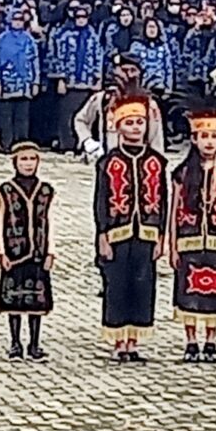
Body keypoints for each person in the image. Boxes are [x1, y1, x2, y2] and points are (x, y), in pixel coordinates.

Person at [94, 86, 167, 362]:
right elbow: (100, 200)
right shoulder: (109, 162)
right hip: (117, 231)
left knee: (142, 284)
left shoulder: (156, 161)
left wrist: (161, 236)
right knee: (117, 285)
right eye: (130, 123)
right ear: (119, 126)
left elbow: (163, 200)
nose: (136, 128)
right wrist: (102, 234)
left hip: (147, 232)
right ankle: (117, 340)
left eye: (139, 122)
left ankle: (134, 340)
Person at [168, 105, 216, 363]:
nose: (209, 142)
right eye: (204, 137)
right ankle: (190, 340)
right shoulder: (182, 173)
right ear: (194, 139)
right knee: (189, 293)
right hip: (188, 241)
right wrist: (172, 246)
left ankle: (211, 340)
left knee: (215, 295)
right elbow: (173, 211)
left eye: (214, 137)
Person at [0, 141, 55, 361]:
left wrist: (51, 252)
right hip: (14, 252)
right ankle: (15, 343)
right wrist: (1, 252)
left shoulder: (46, 190)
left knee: (36, 300)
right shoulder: (5, 190)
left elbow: (50, 221)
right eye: (24, 159)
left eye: (32, 159)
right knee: (14, 299)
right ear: (15, 162)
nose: (28, 164)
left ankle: (34, 343)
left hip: (38, 253)